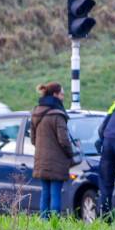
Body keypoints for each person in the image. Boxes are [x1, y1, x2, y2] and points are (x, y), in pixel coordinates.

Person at [31, 82, 75, 220]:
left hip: (41, 161)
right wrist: (70, 153)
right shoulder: (58, 115)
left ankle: (44, 224)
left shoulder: (36, 113)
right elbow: (64, 140)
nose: (63, 97)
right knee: (55, 193)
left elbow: (33, 140)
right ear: (55, 95)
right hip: (56, 162)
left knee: (45, 193)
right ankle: (54, 225)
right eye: (62, 94)